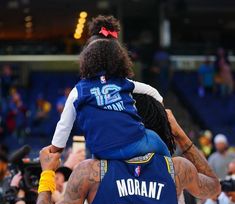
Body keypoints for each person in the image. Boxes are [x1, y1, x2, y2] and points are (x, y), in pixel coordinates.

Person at [34, 94, 220, 204]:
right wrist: (179, 134)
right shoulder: (177, 169)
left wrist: (47, 173)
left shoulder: (92, 171)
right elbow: (214, 188)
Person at [51, 15, 170, 159]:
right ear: (118, 58)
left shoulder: (79, 90)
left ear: (87, 59)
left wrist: (55, 148)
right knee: (160, 143)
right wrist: (161, 110)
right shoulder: (122, 82)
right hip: (135, 144)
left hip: (102, 151)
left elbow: (64, 126)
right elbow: (153, 92)